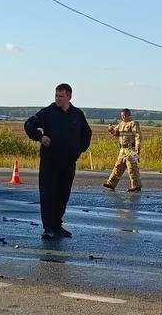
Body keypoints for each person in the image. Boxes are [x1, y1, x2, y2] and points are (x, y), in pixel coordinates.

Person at [24, 83, 92, 239]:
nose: (57, 99)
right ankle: (48, 228)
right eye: (56, 95)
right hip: (50, 161)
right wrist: (40, 137)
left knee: (63, 195)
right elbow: (29, 124)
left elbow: (87, 133)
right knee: (48, 194)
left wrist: (79, 149)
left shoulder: (77, 114)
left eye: (61, 96)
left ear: (69, 96)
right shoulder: (47, 112)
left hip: (68, 162)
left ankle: (57, 225)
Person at [103, 108, 142, 192]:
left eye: (124, 115)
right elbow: (115, 133)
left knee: (132, 168)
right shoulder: (121, 124)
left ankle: (136, 186)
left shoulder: (133, 123)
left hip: (131, 149)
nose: (123, 116)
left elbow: (138, 137)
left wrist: (137, 150)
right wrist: (111, 129)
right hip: (122, 150)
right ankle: (111, 184)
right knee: (118, 167)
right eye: (122, 115)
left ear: (128, 114)